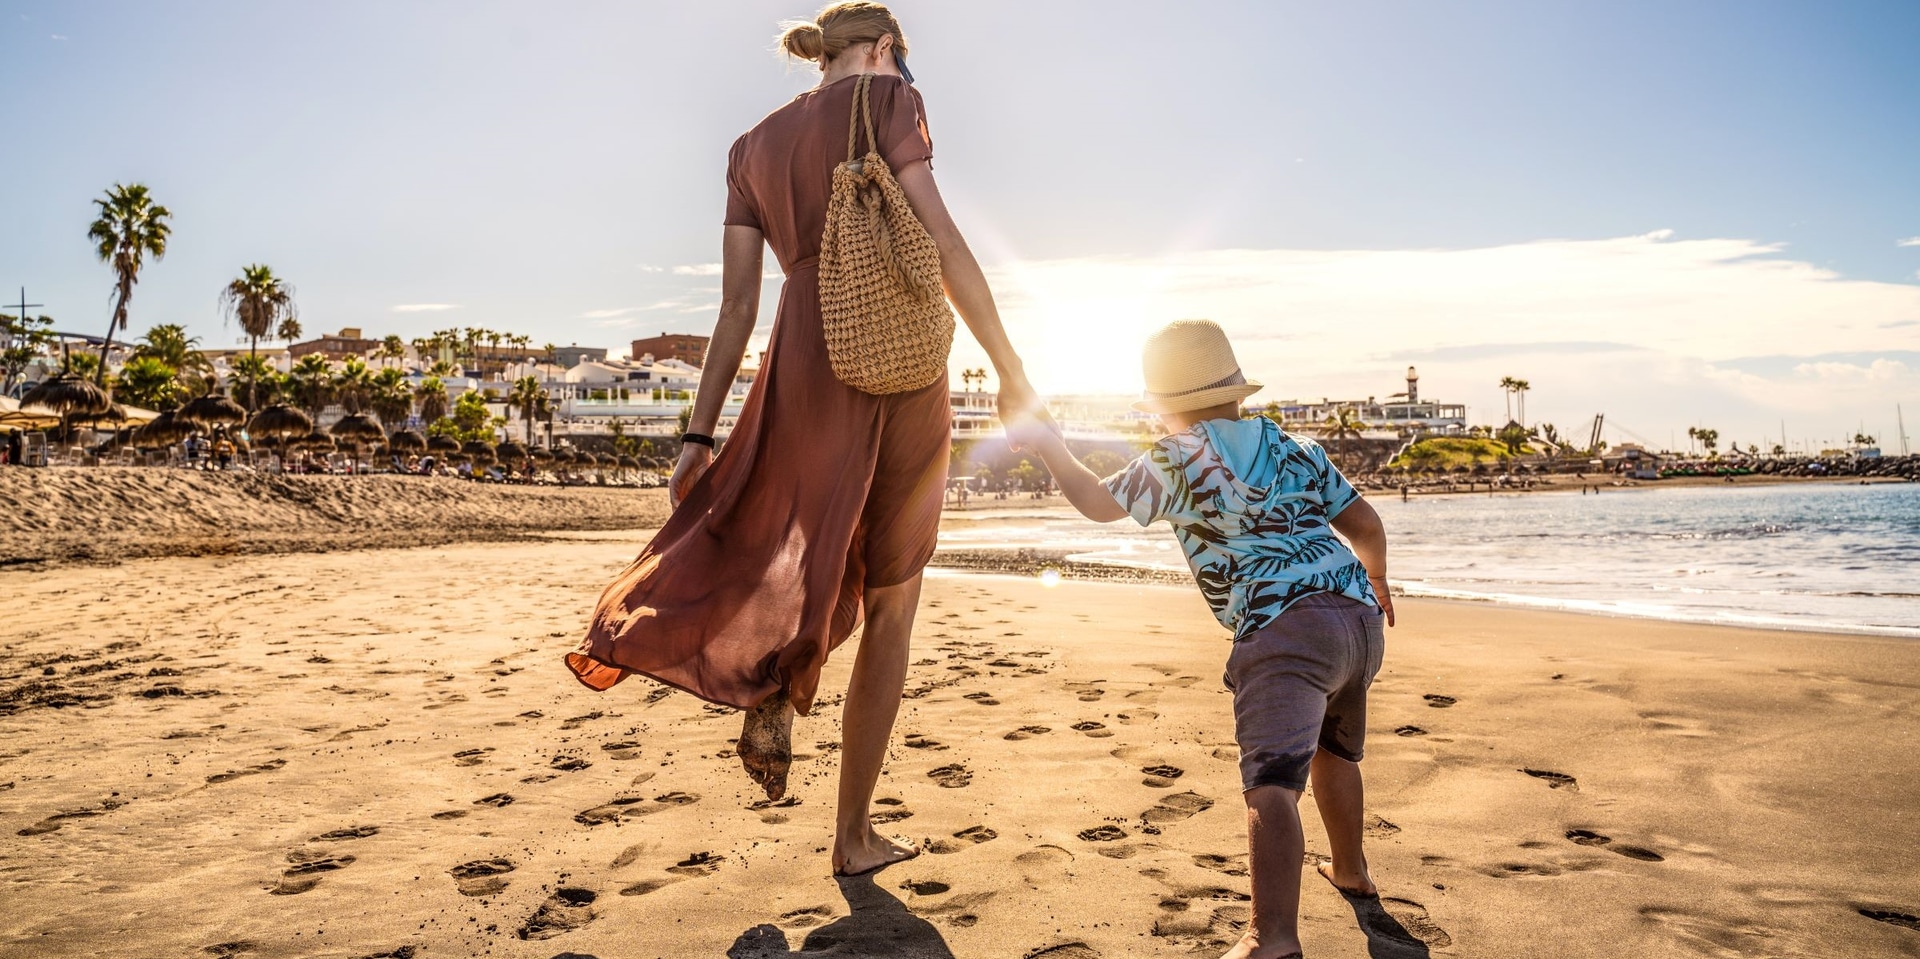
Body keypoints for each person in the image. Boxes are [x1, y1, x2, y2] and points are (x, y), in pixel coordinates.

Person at [565, 1, 1036, 878]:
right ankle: (852, 834)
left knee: (797, 536)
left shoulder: (750, 148)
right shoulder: (893, 100)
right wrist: (1007, 364)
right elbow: (940, 235)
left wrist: (698, 434)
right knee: (893, 595)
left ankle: (780, 678)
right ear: (886, 49)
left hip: (801, 356)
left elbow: (736, 308)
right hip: (891, 353)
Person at [1005, 320, 1394, 959]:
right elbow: (1368, 524)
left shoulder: (1182, 455)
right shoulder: (1296, 446)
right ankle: (1351, 870)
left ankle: (1271, 937)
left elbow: (1099, 504)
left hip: (1283, 628)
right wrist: (1377, 583)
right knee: (1334, 749)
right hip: (1356, 616)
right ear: (1238, 391)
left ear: (1165, 407)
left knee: (1271, 779)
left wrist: (1050, 445)